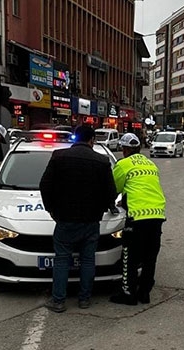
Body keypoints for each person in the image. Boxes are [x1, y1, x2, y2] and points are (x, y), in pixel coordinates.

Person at [39, 126, 118, 313]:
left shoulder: (59, 157)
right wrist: (105, 207)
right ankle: (84, 299)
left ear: (76, 139)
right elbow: (111, 192)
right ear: (92, 140)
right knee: (88, 260)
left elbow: (45, 185)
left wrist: (51, 208)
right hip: (91, 220)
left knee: (62, 260)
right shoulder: (102, 161)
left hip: (65, 219)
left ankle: (58, 301)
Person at [110, 133, 166, 306]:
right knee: (150, 257)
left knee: (130, 256)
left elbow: (115, 188)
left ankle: (128, 294)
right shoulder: (151, 164)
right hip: (157, 216)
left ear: (125, 149)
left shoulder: (124, 164)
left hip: (137, 218)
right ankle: (144, 293)